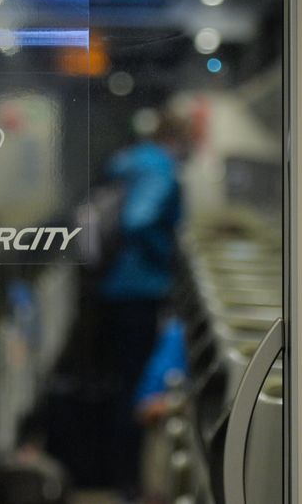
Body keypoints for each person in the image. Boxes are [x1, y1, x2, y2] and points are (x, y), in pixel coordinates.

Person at [96, 111, 190, 499]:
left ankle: (120, 475)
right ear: (179, 140)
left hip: (118, 286)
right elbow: (138, 220)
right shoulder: (160, 168)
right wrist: (165, 253)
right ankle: (128, 481)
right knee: (136, 385)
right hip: (140, 288)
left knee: (125, 380)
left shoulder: (132, 162)